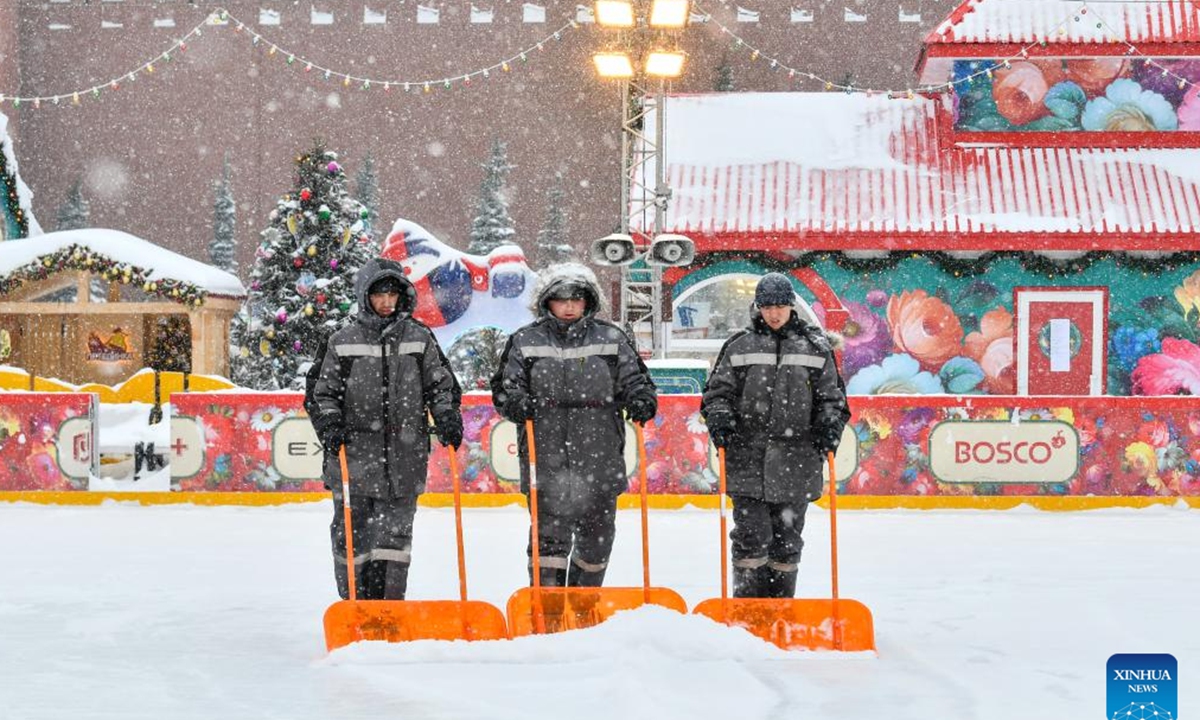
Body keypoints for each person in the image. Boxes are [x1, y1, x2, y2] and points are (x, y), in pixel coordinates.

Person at [491, 263, 657, 588]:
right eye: (561, 299)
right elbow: (505, 388)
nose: (569, 306)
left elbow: (636, 379)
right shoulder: (525, 340)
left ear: (587, 302)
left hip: (600, 459)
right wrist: (514, 402)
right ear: (547, 302)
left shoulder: (611, 338)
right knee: (548, 542)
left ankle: (584, 604)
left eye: (576, 299)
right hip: (546, 460)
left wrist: (640, 398)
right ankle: (548, 607)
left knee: (596, 541)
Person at [309, 258, 462, 600]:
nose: (387, 302)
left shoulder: (419, 337)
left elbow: (441, 386)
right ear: (365, 296)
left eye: (393, 294)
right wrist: (330, 423)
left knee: (394, 539)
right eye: (379, 295)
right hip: (354, 457)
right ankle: (355, 605)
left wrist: (447, 415)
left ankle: (390, 607)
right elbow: (322, 392)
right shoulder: (341, 339)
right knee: (353, 536)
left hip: (405, 458)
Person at [700, 272, 850, 598]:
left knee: (787, 540)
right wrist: (721, 419)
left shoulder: (815, 347)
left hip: (798, 461)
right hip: (747, 459)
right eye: (768, 306)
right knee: (751, 536)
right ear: (758, 307)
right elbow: (717, 394)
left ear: (791, 306)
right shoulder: (740, 345)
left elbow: (833, 400)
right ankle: (747, 609)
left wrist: (829, 426)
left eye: (781, 305)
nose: (774, 313)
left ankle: (781, 609)